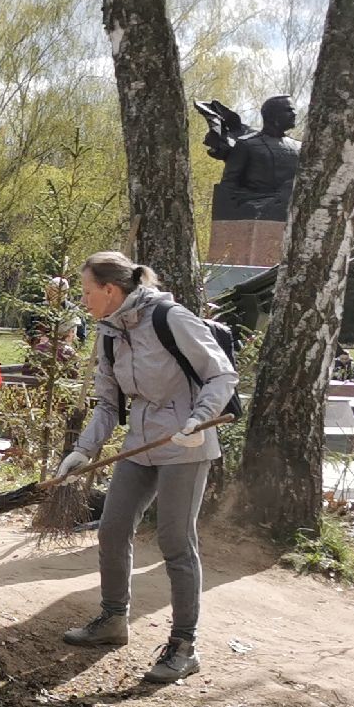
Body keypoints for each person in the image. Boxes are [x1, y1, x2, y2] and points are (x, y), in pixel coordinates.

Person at [57, 250, 236, 684]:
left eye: (86, 292)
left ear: (110, 289)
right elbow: (108, 403)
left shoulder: (170, 319)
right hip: (141, 443)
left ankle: (183, 645)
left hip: (188, 444)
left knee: (176, 541)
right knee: (112, 530)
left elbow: (222, 375)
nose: (83, 301)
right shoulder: (110, 334)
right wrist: (84, 451)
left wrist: (199, 420)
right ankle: (113, 619)